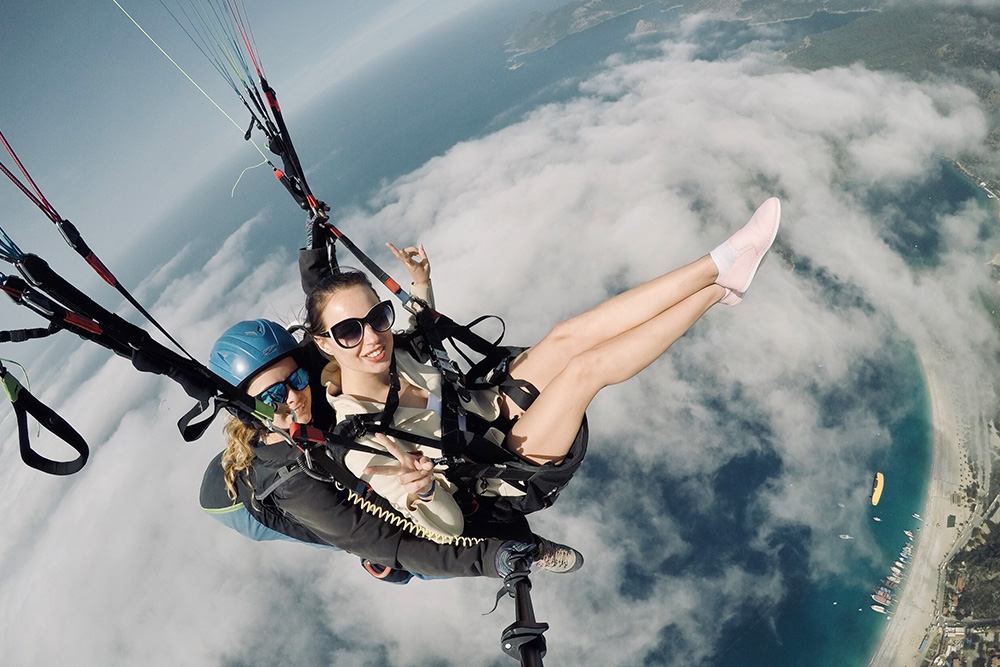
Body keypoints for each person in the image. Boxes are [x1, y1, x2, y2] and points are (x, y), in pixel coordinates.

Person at [307, 198, 782, 538]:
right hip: (499, 468)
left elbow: (420, 328)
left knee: (566, 334)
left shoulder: (394, 351)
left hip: (486, 408)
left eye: (377, 318)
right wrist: (425, 490)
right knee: (584, 368)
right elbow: (449, 528)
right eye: (350, 332)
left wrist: (421, 283)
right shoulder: (360, 442)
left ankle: (724, 259)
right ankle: (718, 289)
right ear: (324, 343)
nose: (371, 337)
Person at [199, 286, 583, 583]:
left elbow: (329, 306)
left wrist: (315, 241)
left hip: (291, 448)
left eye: (296, 379)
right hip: (239, 506)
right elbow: (395, 544)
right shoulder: (294, 485)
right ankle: (533, 548)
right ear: (252, 412)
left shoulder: (308, 373)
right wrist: (497, 557)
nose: (295, 396)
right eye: (272, 397)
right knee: (387, 548)